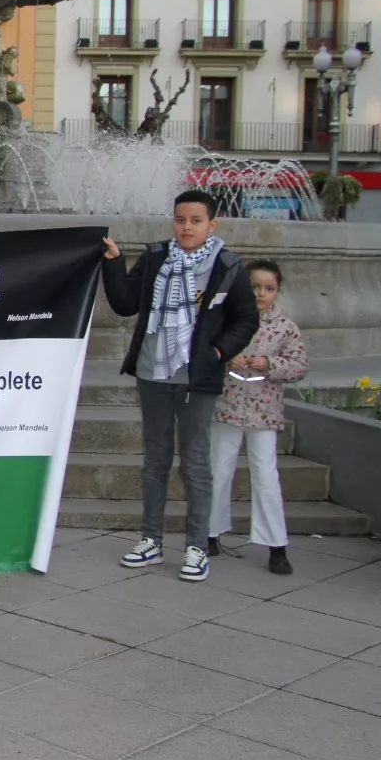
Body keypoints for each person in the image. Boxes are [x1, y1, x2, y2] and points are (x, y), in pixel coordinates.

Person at [102, 190, 259, 582]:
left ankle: (197, 547)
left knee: (195, 462)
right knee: (155, 460)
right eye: (180, 219)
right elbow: (124, 303)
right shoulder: (156, 257)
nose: (187, 227)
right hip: (152, 372)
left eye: (195, 221)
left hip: (196, 379)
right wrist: (114, 262)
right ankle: (151, 541)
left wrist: (218, 351)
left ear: (211, 224)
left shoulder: (227, 265)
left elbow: (246, 319)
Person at [207, 259, 307, 575]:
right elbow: (205, 352)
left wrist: (270, 364)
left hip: (264, 412)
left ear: (277, 291)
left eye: (269, 288)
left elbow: (299, 366)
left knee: (265, 476)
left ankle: (276, 544)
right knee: (218, 470)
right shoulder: (226, 319)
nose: (261, 294)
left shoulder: (285, 327)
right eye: (254, 287)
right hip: (226, 406)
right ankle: (209, 533)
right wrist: (227, 358)